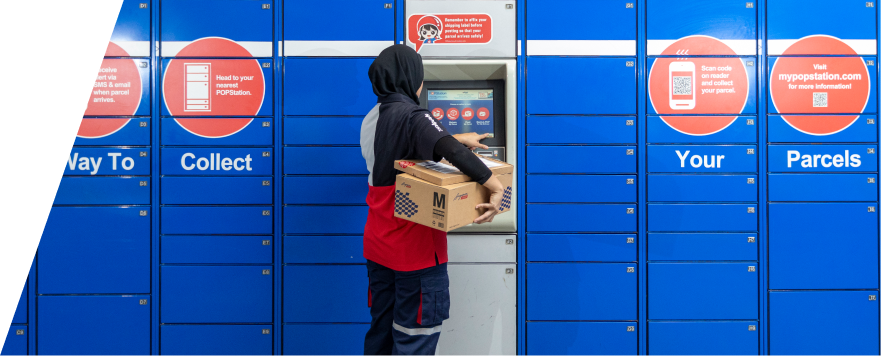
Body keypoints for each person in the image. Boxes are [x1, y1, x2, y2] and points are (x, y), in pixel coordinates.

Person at [360, 45, 504, 356]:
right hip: (414, 247)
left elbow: (400, 150)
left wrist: (455, 137)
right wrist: (495, 187)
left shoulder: (372, 118)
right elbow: (452, 153)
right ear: (413, 79)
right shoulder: (413, 115)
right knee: (414, 337)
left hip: (378, 244)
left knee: (382, 332)